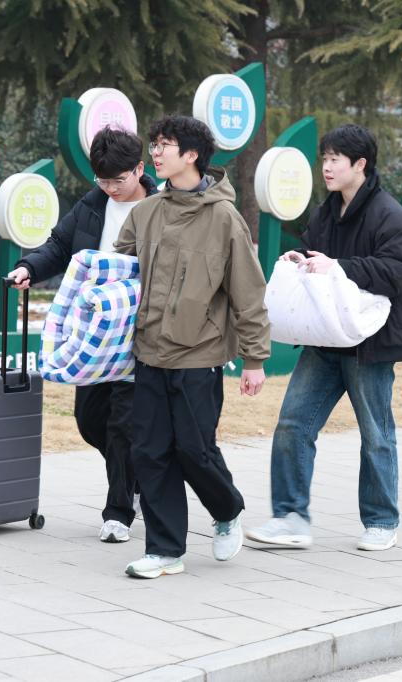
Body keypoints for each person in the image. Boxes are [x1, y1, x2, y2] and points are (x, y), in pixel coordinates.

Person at [246, 124, 402, 552]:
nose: (326, 167)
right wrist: (302, 259)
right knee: (292, 423)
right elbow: (317, 255)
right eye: (324, 159)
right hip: (326, 338)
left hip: (371, 342)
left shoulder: (390, 215)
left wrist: (338, 266)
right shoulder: (326, 212)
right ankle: (290, 518)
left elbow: (396, 272)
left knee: (376, 433)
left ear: (360, 164)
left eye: (334, 160)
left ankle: (381, 522)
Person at [114, 114, 270, 579]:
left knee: (195, 450)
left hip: (200, 355)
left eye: (164, 145)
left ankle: (227, 509)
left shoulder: (224, 219)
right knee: (149, 452)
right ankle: (164, 550)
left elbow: (248, 293)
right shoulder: (144, 213)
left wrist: (255, 359)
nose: (155, 153)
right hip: (149, 352)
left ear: (192, 155)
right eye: (154, 144)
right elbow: (119, 278)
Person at [7, 126, 157, 544]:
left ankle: (118, 512)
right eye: (102, 180)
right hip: (94, 331)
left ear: (139, 169)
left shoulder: (161, 207)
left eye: (118, 180)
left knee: (123, 424)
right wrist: (29, 268)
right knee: (90, 421)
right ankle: (141, 476)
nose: (110, 188)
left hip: (138, 330)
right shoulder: (92, 205)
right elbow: (59, 246)